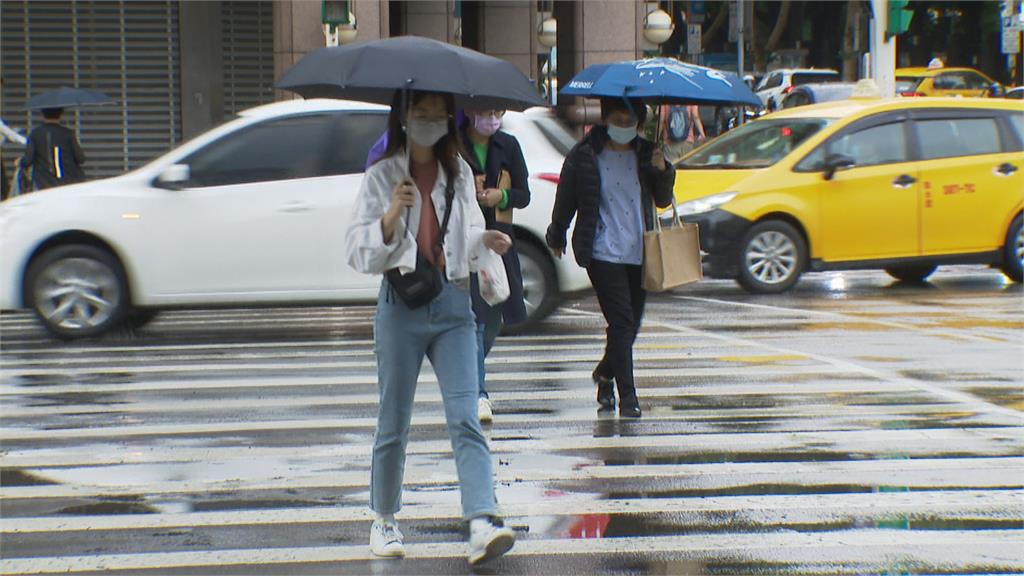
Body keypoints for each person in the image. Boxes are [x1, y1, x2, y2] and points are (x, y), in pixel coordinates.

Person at [344, 90, 516, 566]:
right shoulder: (383, 176)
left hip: (454, 305)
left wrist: (487, 238)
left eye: (437, 114)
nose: (428, 121)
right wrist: (392, 214)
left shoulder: (458, 174)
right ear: (402, 118)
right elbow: (358, 251)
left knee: (466, 416)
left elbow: (462, 238)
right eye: (419, 114)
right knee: (393, 421)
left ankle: (482, 519)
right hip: (400, 306)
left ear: (448, 121)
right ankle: (383, 519)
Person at [546, 97, 675, 418]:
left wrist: (663, 171)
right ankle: (628, 396)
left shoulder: (647, 153)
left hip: (639, 250)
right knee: (621, 321)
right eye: (618, 120)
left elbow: (662, 201)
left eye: (630, 121)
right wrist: (557, 231)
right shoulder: (585, 154)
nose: (624, 127)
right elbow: (567, 196)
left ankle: (605, 374)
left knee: (630, 326)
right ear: (605, 119)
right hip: (601, 250)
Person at [460, 108, 531, 423]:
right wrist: (468, 191)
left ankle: (467, 370)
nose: (490, 118)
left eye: (497, 112)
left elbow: (523, 195)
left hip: (500, 241)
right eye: (484, 111)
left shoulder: (509, 145)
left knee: (494, 319)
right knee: (474, 319)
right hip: (466, 242)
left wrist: (500, 196)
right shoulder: (455, 145)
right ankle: (478, 394)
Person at [18, 107, 86, 191]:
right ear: (61, 115)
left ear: (43, 115)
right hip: (67, 182)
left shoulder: (35, 134)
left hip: (43, 183)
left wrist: (20, 161)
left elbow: (27, 160)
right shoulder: (68, 134)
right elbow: (81, 159)